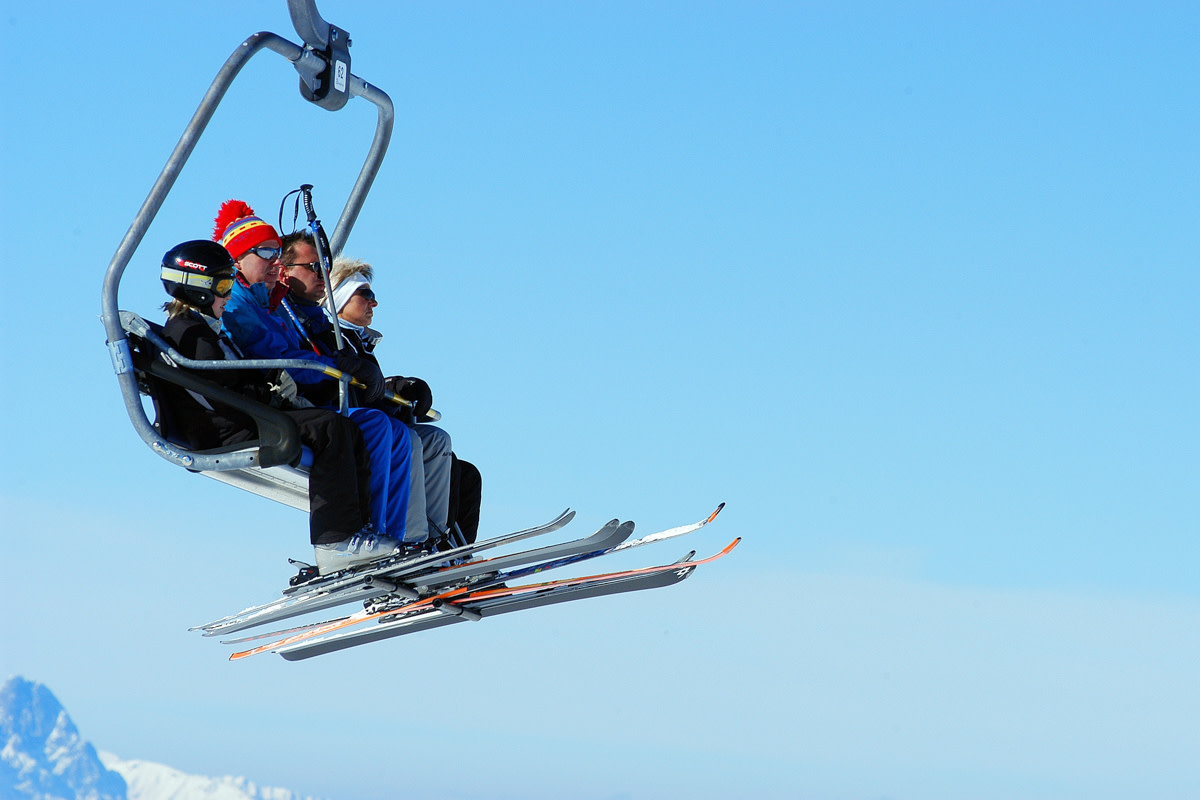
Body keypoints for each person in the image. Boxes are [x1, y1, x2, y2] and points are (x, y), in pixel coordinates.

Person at [156, 240, 389, 573]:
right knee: (332, 428)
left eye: (230, 284)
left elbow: (228, 378)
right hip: (230, 426)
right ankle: (335, 541)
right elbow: (220, 387)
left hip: (240, 416)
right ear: (199, 290)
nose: (227, 294)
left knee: (340, 427)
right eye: (223, 285)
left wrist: (266, 382)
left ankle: (358, 533)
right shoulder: (193, 334)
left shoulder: (202, 330)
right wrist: (267, 391)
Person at [211, 200, 420, 554]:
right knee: (370, 425)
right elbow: (279, 358)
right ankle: (360, 534)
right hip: (269, 406)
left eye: (276, 252)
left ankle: (393, 536)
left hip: (296, 398)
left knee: (403, 433)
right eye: (264, 252)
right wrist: (339, 368)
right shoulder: (240, 304)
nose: (273, 262)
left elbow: (300, 353)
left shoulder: (268, 304)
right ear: (238, 259)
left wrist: (372, 378)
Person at [329, 257, 483, 545]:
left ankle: (440, 543)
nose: (374, 304)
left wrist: (398, 390)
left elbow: (369, 392)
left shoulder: (357, 343)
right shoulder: (331, 336)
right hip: (343, 424)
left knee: (442, 446)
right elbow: (341, 386)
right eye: (366, 294)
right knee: (408, 440)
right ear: (340, 296)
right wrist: (385, 389)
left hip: (368, 423)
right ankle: (411, 540)